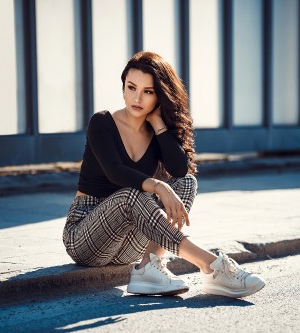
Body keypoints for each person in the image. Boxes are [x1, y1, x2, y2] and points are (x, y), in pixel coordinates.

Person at [63, 51, 265, 298]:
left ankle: (149, 267)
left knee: (186, 182)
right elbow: (115, 172)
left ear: (159, 96)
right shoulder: (102, 122)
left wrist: (159, 125)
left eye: (148, 91)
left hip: (128, 243)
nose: (137, 97)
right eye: (131, 87)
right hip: (85, 237)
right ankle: (210, 265)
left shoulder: (154, 130)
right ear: (123, 88)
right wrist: (158, 186)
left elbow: (180, 170)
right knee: (130, 195)